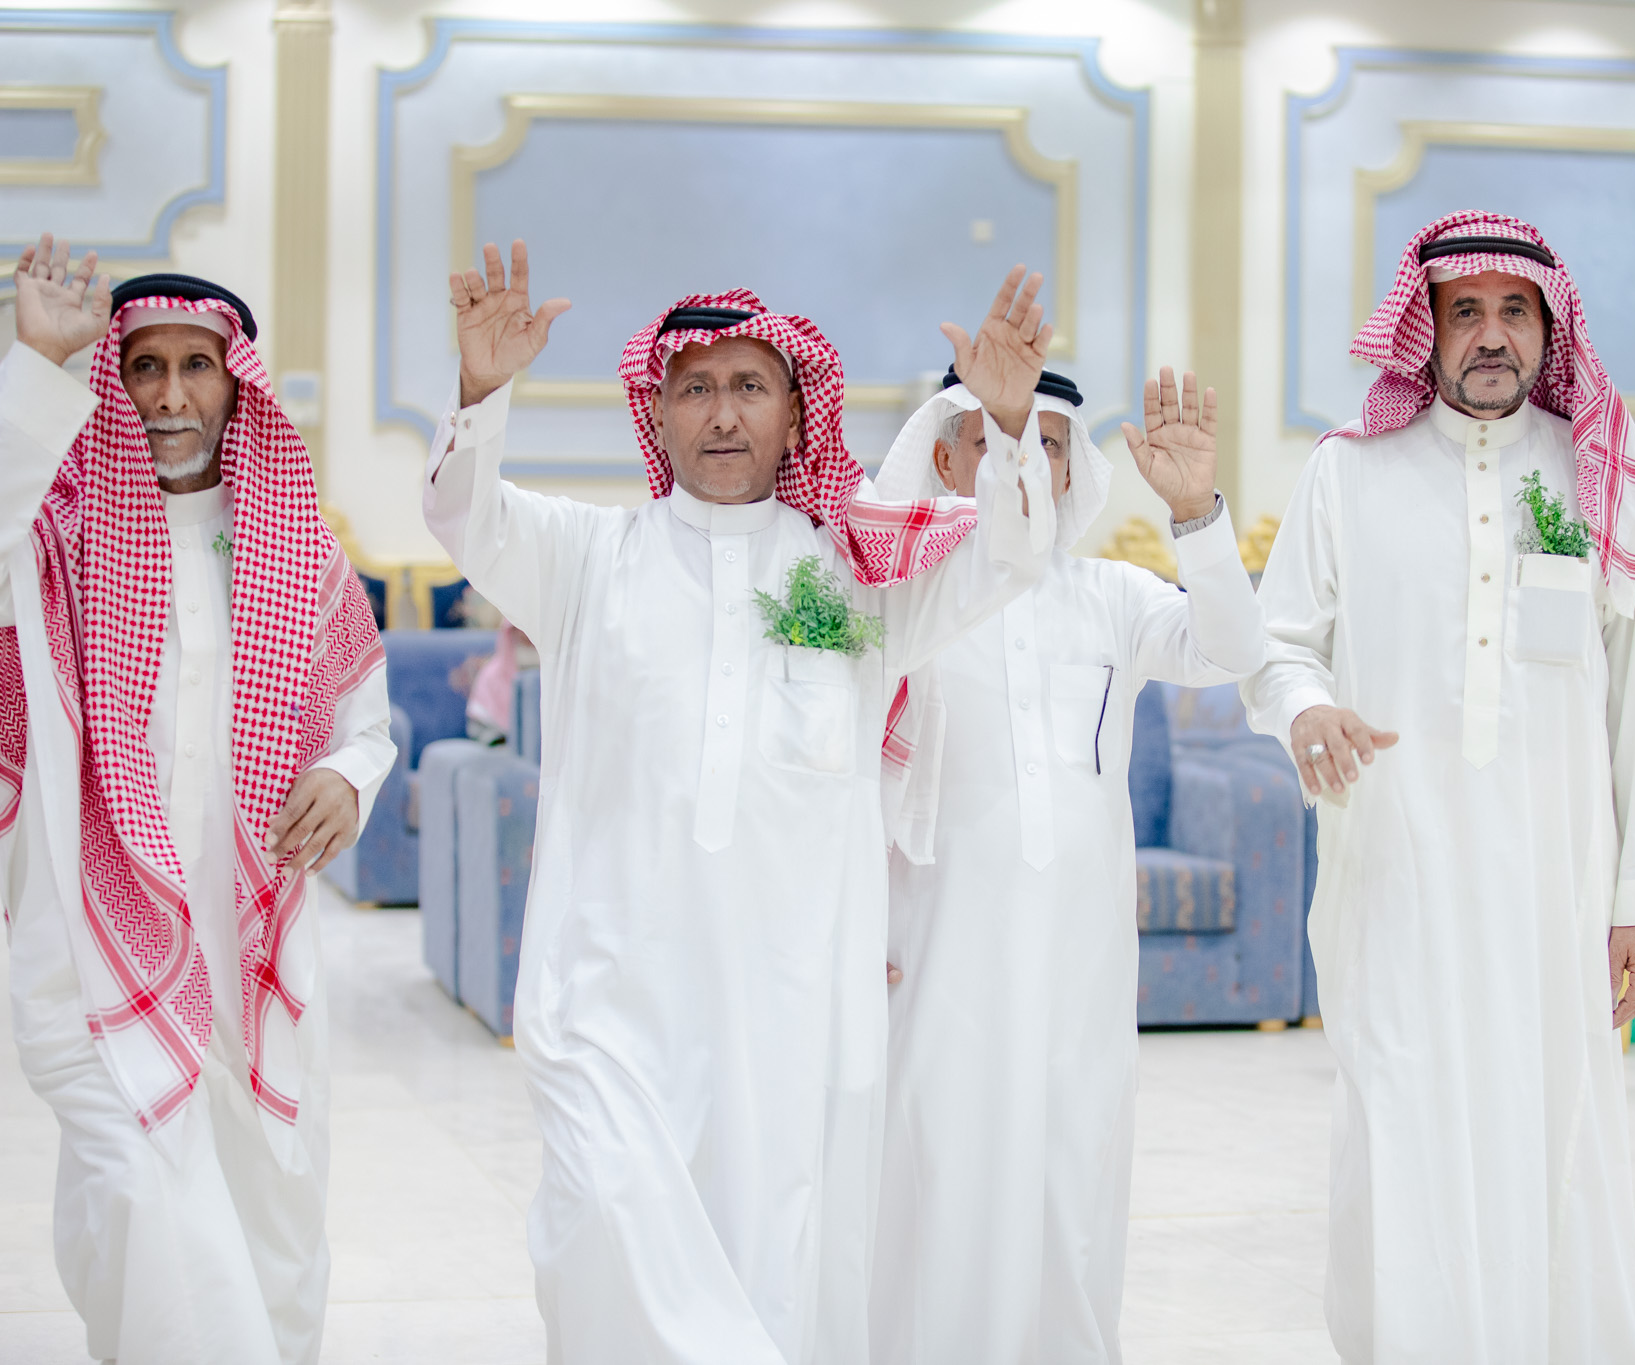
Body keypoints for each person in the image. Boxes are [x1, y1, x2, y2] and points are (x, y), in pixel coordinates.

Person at [423, 239, 1056, 1363]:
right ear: (657, 411)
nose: (723, 414)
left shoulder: (853, 580)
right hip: (609, 999)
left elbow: (1007, 562)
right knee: (601, 1233)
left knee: (776, 1262)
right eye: (697, 388)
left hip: (792, 1013)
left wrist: (1008, 429)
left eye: (750, 387)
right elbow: (466, 518)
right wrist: (481, 388)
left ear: (795, 412)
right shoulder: (588, 558)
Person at [1240, 211, 1635, 1363]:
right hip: (1395, 875)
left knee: (1551, 1122)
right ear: (1426, 328)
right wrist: (1303, 707)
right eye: (1464, 313)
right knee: (1400, 1116)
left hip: (1555, 884)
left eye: (1513, 312)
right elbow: (1277, 642)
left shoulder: (1596, 470)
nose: (1490, 335)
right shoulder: (1347, 472)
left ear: (1549, 330)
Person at [0, 237, 394, 1364]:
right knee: (139, 1188)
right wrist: (36, 364)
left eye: (196, 366)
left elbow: (365, 723)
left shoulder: (298, 550)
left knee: (270, 1209)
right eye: (144, 366)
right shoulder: (53, 534)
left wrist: (349, 776)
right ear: (113, 380)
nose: (170, 394)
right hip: (91, 939)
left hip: (249, 940)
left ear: (237, 383)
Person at [868, 365, 1263, 1364]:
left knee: (1072, 1189)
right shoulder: (905, 603)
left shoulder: (1110, 597)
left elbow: (1228, 652)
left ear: (1072, 466)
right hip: (938, 956)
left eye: (1046, 443)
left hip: (1081, 969)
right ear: (944, 456)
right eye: (996, 439)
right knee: (941, 1185)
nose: (1023, 463)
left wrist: (1196, 515)